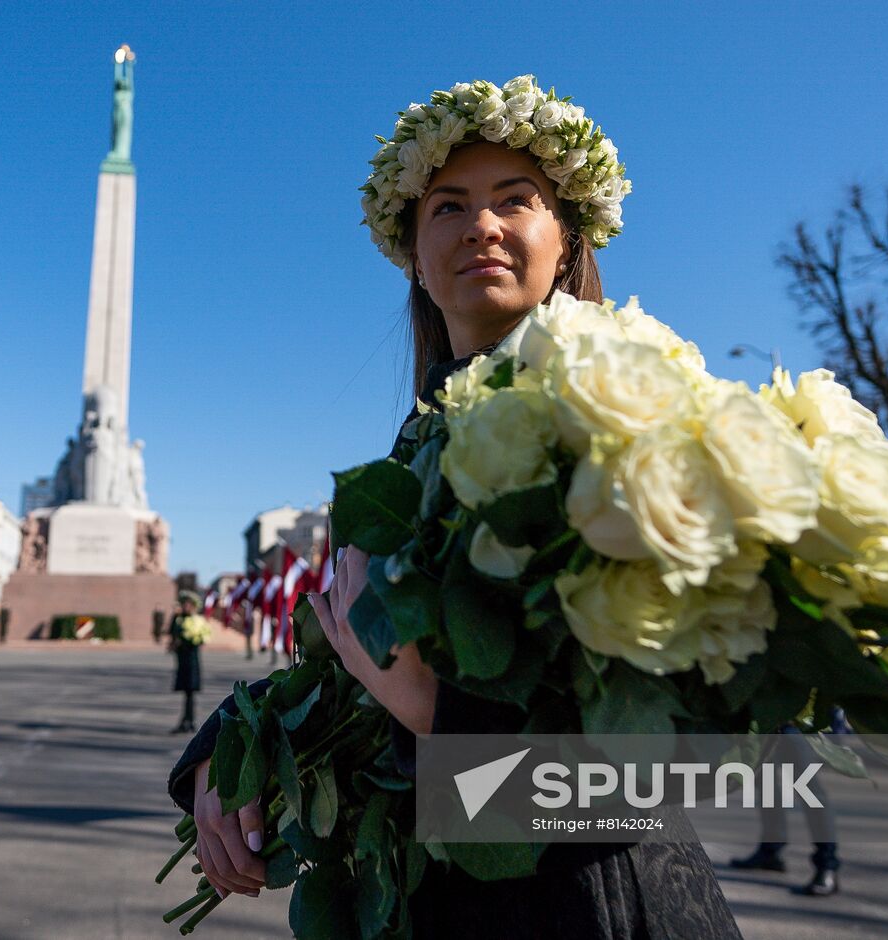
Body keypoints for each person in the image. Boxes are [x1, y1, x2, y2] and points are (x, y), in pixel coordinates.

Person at [167, 76, 741, 937]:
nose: (482, 224)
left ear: (567, 237)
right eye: (448, 207)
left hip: (592, 906)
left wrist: (442, 718)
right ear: (416, 258)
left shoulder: (639, 409)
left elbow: (702, 740)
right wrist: (232, 750)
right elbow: (358, 667)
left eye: (516, 200)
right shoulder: (415, 438)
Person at [730, 724, 840, 896]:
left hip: (795, 724)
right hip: (763, 725)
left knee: (808, 790)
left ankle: (827, 866)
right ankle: (770, 851)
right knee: (766, 785)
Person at [167, 592, 203, 734]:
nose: (185, 607)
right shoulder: (179, 619)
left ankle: (188, 721)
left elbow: (199, 638)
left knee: (190, 692)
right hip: (182, 660)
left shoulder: (196, 620)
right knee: (187, 693)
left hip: (191, 660)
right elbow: (171, 631)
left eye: (188, 604)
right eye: (184, 604)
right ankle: (187, 720)